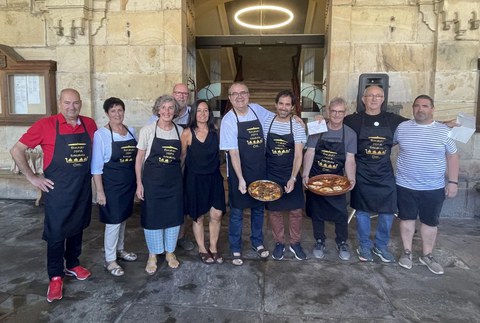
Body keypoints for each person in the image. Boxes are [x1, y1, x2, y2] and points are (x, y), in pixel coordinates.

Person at [10, 88, 97, 302]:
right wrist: (32, 177)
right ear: (60, 103)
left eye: (75, 103)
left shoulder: (89, 124)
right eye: (67, 103)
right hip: (57, 191)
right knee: (56, 234)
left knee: (77, 227)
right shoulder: (46, 125)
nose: (72, 107)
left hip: (81, 188)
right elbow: (16, 150)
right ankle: (56, 276)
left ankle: (73, 264)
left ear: (81, 103)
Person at [395, 95, 459, 275]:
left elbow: (452, 156)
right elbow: (385, 143)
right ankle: (407, 252)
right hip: (405, 184)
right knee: (406, 219)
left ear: (432, 109)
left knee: (430, 222)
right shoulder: (402, 128)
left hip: (433, 186)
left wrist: (453, 182)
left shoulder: (444, 131)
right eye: (416, 106)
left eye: (424, 106)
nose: (420, 109)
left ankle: (427, 255)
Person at [343, 85, 407, 263]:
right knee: (362, 211)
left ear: (383, 99)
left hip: (384, 173)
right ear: (363, 99)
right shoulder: (353, 120)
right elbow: (332, 121)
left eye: (378, 96)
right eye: (370, 95)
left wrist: (445, 124)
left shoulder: (393, 119)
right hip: (362, 172)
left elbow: (418, 123)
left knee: (387, 212)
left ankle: (381, 246)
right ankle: (364, 245)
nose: (373, 99)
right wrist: (316, 119)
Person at [219, 82, 273, 265]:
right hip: (238, 172)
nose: (239, 97)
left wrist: (295, 118)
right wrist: (241, 179)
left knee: (258, 209)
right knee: (237, 212)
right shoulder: (228, 120)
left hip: (259, 170)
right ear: (230, 97)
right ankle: (235, 247)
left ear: (248, 95)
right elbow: (233, 152)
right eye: (235, 94)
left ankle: (257, 243)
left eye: (243, 93)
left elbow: (277, 120)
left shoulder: (257, 110)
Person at [303, 97, 357, 261]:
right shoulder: (317, 128)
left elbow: (349, 159)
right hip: (316, 177)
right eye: (333, 111)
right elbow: (310, 152)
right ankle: (319, 240)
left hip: (336, 180)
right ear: (328, 112)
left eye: (340, 112)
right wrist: (305, 174)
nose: (336, 115)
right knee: (317, 213)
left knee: (341, 213)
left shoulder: (350, 134)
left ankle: (342, 241)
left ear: (345, 113)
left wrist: (351, 178)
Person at [135, 95, 184, 275]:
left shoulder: (180, 131)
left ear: (175, 111)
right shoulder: (148, 130)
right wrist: (139, 183)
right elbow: (139, 159)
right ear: (158, 110)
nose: (167, 111)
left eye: (171, 108)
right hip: (152, 183)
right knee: (152, 218)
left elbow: (182, 158)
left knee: (173, 217)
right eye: (163, 107)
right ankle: (153, 255)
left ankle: (170, 253)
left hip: (173, 183)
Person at [91, 97, 138, 277]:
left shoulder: (131, 131)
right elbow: (96, 167)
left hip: (128, 184)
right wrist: (100, 192)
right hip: (111, 186)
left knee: (123, 219)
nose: (117, 114)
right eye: (113, 111)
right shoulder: (101, 134)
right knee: (113, 222)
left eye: (120, 110)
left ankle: (120, 250)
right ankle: (110, 260)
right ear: (107, 114)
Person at [146, 83, 195, 250]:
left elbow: (184, 152)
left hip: (184, 166)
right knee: (159, 208)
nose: (181, 96)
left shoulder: (192, 114)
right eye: (178, 93)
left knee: (182, 205)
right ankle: (160, 244)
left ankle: (180, 237)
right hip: (159, 173)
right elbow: (143, 152)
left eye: (185, 94)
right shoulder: (154, 122)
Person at [180, 100, 226, 264]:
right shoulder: (187, 133)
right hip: (194, 180)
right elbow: (182, 157)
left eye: (205, 110)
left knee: (217, 214)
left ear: (209, 113)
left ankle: (213, 247)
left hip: (213, 178)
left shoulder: (216, 132)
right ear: (193, 113)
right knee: (198, 216)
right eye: (199, 111)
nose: (202, 114)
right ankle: (202, 248)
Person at [263, 90, 307, 261]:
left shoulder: (296, 125)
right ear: (275, 104)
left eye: (287, 104)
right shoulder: (267, 122)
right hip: (271, 173)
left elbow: (298, 155)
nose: (283, 107)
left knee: (296, 211)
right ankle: (279, 242)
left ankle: (295, 242)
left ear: (292, 107)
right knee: (274, 211)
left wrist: (293, 177)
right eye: (281, 103)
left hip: (290, 173)